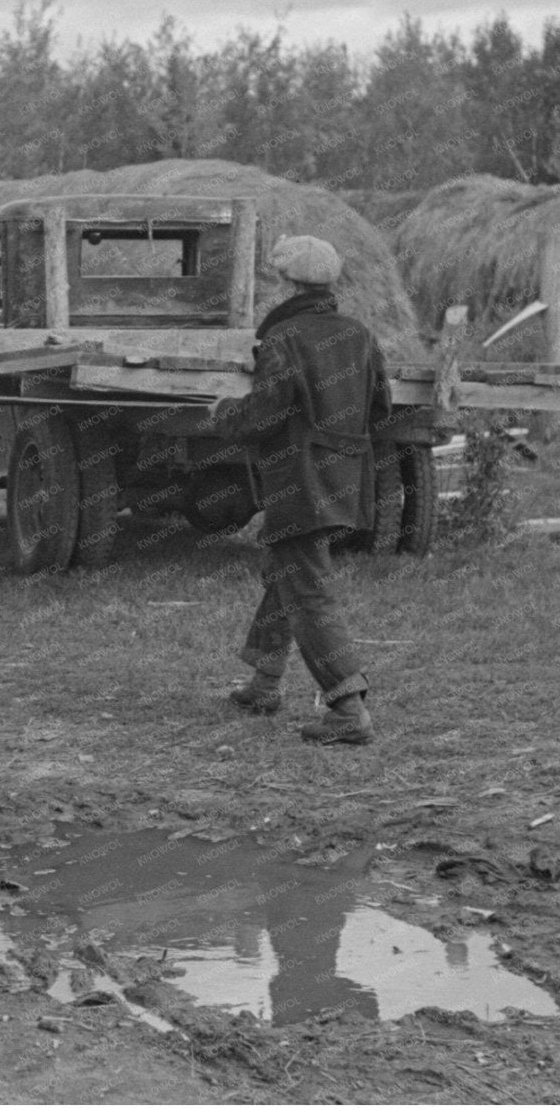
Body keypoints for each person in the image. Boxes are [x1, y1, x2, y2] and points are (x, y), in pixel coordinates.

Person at [201, 234, 391, 746]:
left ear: (288, 284)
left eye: (274, 282)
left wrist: (222, 412)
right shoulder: (359, 334)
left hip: (299, 481)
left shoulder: (284, 338)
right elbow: (381, 409)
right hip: (345, 479)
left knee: (307, 590)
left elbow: (264, 414)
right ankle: (264, 683)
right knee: (286, 574)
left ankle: (348, 707)